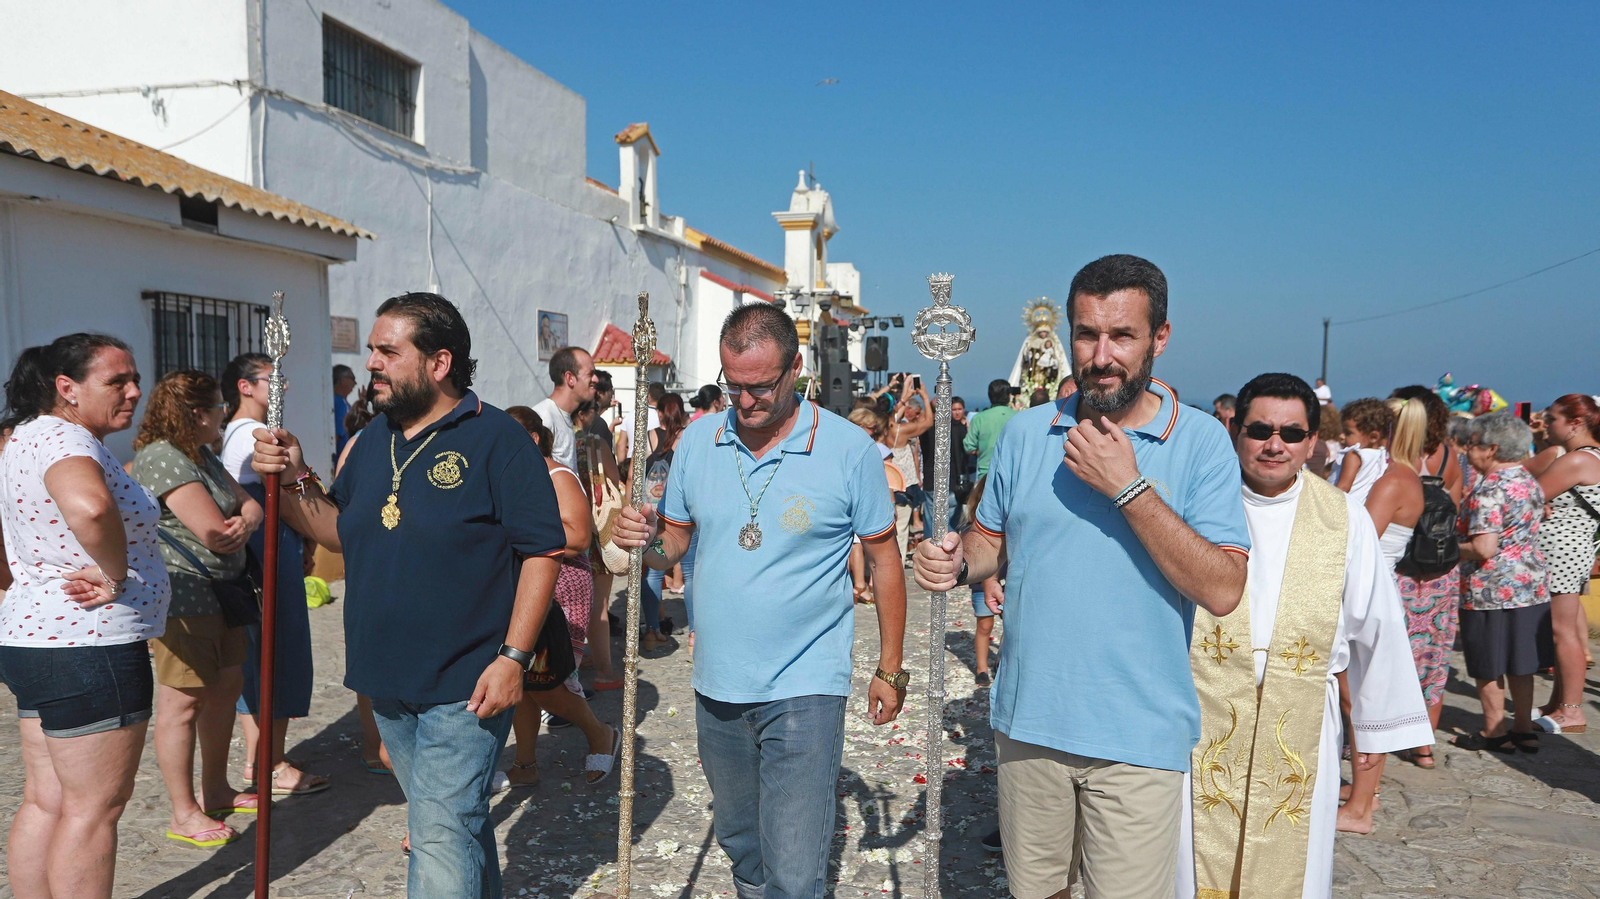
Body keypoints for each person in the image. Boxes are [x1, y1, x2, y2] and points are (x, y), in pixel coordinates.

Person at [916, 254, 1250, 898]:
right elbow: (992, 540)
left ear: (1160, 338)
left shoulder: (1202, 442)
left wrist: (1128, 488)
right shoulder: (1026, 433)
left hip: (1138, 734)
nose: (1101, 355)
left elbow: (1222, 587)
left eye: (1122, 335)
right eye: (1086, 334)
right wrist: (958, 561)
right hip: (1029, 722)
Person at [251, 292, 566, 898]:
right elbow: (337, 531)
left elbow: (542, 554)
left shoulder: (498, 438)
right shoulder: (373, 440)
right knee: (453, 825)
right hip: (388, 679)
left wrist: (513, 659)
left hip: (468, 680)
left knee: (439, 833)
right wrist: (292, 477)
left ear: (439, 363)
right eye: (371, 349)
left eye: (387, 352)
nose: (371, 363)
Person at [612, 303, 908, 899]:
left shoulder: (848, 450)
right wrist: (642, 543)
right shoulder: (700, 440)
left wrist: (890, 667)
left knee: (795, 874)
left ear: (796, 368)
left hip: (805, 686)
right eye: (734, 387)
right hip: (717, 683)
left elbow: (885, 563)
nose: (745, 403)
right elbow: (673, 546)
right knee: (744, 849)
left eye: (761, 387)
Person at [1176, 373, 1429, 899]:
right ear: (1235, 430)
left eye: (1291, 434)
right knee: (1189, 864)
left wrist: (1375, 735)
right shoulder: (1192, 503)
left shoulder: (1343, 518)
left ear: (1313, 442)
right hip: (1200, 713)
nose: (1275, 444)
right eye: (1260, 429)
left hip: (1302, 719)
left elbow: (1377, 623)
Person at [0, 334, 170, 899]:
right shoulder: (66, 438)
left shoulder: (26, 436)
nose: (134, 391)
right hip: (89, 643)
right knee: (93, 810)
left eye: (134, 378)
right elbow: (90, 507)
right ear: (66, 388)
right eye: (116, 381)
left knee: (48, 800)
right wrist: (116, 574)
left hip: (38, 638)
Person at [131, 370, 265, 847]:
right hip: (186, 597)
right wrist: (241, 522)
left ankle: (216, 789)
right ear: (196, 414)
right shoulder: (162, 459)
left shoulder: (200, 453)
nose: (224, 415)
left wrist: (244, 521)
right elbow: (213, 531)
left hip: (224, 590)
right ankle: (183, 810)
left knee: (226, 687)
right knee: (182, 702)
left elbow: (250, 506)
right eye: (217, 407)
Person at [218, 353, 327, 796]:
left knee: (259, 654)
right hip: (268, 555)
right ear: (245, 386)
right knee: (277, 653)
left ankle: (258, 758)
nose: (280, 388)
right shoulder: (252, 434)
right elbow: (295, 486)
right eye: (271, 379)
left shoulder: (235, 433)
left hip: (271, 551)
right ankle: (272, 762)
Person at [500, 407, 620, 788]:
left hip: (562, 585)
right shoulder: (513, 478)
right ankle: (525, 762)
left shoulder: (557, 476)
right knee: (521, 677)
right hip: (524, 585)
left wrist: (514, 533)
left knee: (548, 681)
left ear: (533, 438)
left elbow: (580, 537)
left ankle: (600, 733)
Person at [1334, 396, 1424, 833]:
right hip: (1378, 586)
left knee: (1364, 698)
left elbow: (1357, 535)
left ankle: (1361, 805)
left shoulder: (1393, 480)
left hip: (1372, 589)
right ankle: (1360, 797)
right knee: (1357, 696)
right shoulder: (1403, 475)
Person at [1451, 413, 1551, 754]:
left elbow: (1483, 547)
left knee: (1488, 663)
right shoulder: (1527, 479)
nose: (1467, 451)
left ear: (1492, 448)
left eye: (1472, 444)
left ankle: (1494, 730)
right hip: (1530, 582)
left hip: (1490, 587)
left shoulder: (1489, 488)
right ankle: (1523, 727)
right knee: (1522, 662)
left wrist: (1450, 547)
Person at [1387, 387, 1464, 769]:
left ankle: (1375, 737)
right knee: (1434, 658)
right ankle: (1424, 747)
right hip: (1441, 574)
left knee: (1394, 655)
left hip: (1403, 570)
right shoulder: (1450, 459)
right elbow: (1456, 512)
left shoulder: (1398, 461)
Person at [1531, 394, 1600, 734]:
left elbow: (1529, 496)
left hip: (1560, 552)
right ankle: (1558, 703)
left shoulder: (1576, 461)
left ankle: (1572, 711)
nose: (1546, 424)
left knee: (1563, 633)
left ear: (1575, 424)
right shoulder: (1592, 457)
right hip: (1575, 551)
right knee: (1568, 630)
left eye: (1553, 418)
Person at [638, 392, 690, 652]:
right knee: (690, 569)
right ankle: (694, 633)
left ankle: (652, 629)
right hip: (678, 510)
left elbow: (636, 474)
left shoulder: (649, 437)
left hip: (651, 508)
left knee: (652, 571)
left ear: (660, 412)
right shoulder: (686, 437)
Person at [531, 347, 597, 471]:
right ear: (570, 378)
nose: (596, 379)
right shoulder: (543, 418)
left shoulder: (564, 415)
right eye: (590, 374)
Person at [920, 387, 968, 537]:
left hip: (932, 479)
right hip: (952, 481)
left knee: (931, 523)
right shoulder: (958, 429)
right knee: (950, 525)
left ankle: (932, 552)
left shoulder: (925, 428)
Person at [1332, 398, 1392, 505]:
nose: (1342, 436)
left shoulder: (1354, 455)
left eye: (1348, 433)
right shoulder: (1382, 456)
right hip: (1359, 510)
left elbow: (1343, 487)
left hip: (1340, 507)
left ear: (1373, 437)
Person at [963, 379, 1020, 478]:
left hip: (986, 474)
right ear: (1008, 396)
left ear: (990, 396)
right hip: (1012, 473)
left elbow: (969, 447)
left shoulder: (979, 418)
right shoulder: (1018, 417)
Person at [333, 364, 357, 460]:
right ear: (343, 380)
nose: (355, 383)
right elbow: (336, 437)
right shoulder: (337, 402)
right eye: (352, 378)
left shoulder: (343, 402)